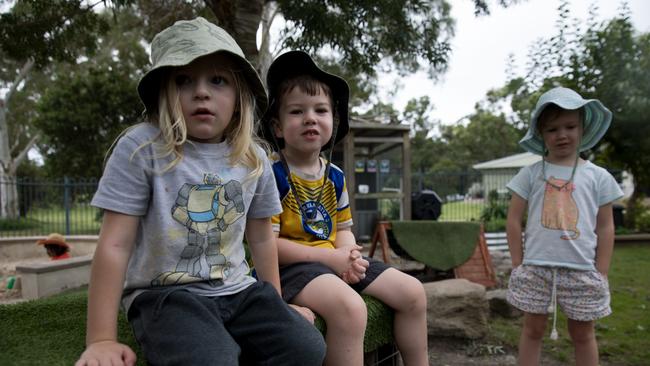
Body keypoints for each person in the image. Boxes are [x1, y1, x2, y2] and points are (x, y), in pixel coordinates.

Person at [75, 18, 325, 366]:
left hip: (240, 291)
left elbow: (263, 239)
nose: (201, 92)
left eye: (218, 80)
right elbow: (115, 244)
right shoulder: (142, 148)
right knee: (213, 358)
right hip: (167, 296)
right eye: (183, 79)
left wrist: (277, 304)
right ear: (163, 90)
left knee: (306, 347)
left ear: (239, 97)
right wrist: (101, 339)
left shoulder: (253, 159)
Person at [260, 50, 428, 366]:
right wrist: (332, 258)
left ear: (332, 122)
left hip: (333, 260)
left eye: (320, 110)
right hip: (291, 269)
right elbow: (267, 245)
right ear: (278, 127)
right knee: (351, 309)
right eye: (297, 111)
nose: (310, 117)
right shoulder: (272, 175)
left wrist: (351, 258)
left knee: (413, 292)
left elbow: (343, 231)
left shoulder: (334, 176)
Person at [506, 87, 624, 366]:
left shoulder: (599, 177)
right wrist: (517, 263)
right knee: (532, 330)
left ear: (583, 128)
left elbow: (606, 226)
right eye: (552, 129)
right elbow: (513, 220)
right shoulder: (531, 174)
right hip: (535, 268)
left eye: (570, 126)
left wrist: (602, 271)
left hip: (583, 269)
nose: (561, 135)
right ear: (541, 135)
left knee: (583, 334)